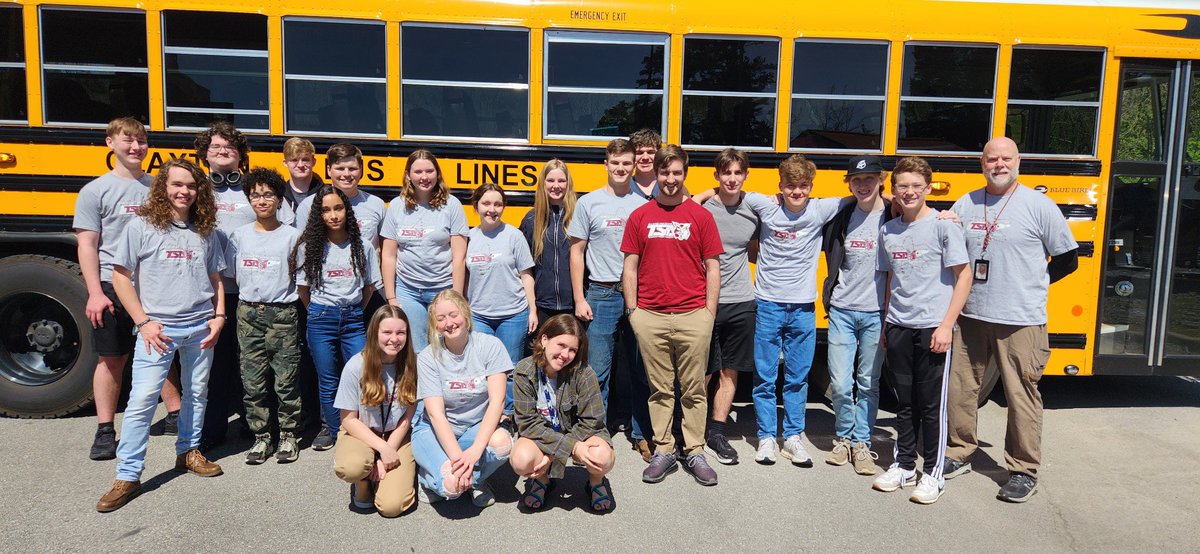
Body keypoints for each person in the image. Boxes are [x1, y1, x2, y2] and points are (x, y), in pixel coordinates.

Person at [943, 137, 1079, 503]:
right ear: (982, 163)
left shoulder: (1038, 205)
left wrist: (1032, 284)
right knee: (960, 388)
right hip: (970, 316)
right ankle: (959, 451)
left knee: (1021, 394)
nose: (999, 164)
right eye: (992, 159)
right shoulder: (967, 202)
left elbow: (1068, 258)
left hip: (1020, 319)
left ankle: (1022, 469)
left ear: (1018, 161)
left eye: (1006, 158)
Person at [699, 155, 847, 467]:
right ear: (779, 186)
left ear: (811, 187)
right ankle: (766, 436)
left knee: (797, 377)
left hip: (804, 307)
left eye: (803, 186)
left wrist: (893, 199)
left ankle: (793, 438)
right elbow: (725, 188)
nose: (797, 192)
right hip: (766, 303)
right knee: (765, 378)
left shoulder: (821, 208)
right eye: (790, 186)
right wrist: (701, 195)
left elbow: (862, 197)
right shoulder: (764, 205)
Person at [96, 159, 226, 513]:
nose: (184, 191)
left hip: (200, 326)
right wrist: (143, 322)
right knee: (140, 402)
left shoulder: (205, 230)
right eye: (177, 184)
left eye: (191, 186)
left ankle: (188, 452)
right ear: (163, 188)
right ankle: (128, 475)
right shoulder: (142, 226)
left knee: (197, 393)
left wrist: (219, 316)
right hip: (159, 330)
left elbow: (215, 278)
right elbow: (120, 277)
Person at [75, 117, 182, 460]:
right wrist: (95, 291)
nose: (136, 147)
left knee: (161, 348)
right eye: (128, 141)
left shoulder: (157, 188)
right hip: (111, 284)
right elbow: (88, 244)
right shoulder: (95, 191)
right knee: (113, 358)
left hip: (152, 284)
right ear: (110, 143)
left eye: (141, 141)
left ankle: (176, 414)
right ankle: (105, 430)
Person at [872, 156, 972, 505]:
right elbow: (890, 282)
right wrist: (887, 322)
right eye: (903, 186)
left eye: (916, 186)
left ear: (928, 188)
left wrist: (947, 325)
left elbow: (964, 276)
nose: (910, 192)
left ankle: (934, 473)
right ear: (894, 192)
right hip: (899, 325)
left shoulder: (945, 226)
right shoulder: (888, 231)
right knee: (903, 403)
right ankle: (903, 466)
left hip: (933, 328)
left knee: (931, 406)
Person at [622, 144, 723, 486]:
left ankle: (695, 450)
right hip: (650, 315)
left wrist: (709, 313)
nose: (670, 178)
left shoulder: (700, 216)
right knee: (660, 388)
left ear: (685, 174)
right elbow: (630, 265)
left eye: (676, 172)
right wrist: (634, 310)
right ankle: (664, 448)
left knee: (694, 388)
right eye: (664, 172)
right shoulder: (640, 216)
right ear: (657, 174)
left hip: (694, 313)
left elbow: (712, 267)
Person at [567, 139, 653, 461]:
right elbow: (577, 252)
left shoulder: (643, 205)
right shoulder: (589, 204)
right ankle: (596, 432)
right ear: (606, 164)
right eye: (615, 163)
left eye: (626, 163)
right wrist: (580, 297)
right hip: (600, 294)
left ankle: (641, 433)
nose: (620, 168)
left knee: (639, 367)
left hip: (637, 295)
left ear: (634, 166)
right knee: (597, 369)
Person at [292, 186, 383, 452]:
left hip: (353, 318)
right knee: (328, 378)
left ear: (347, 210)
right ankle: (335, 431)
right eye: (326, 210)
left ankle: (363, 428)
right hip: (321, 318)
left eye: (338, 208)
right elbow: (303, 289)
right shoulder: (309, 247)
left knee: (361, 375)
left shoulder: (362, 246)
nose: (333, 215)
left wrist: (355, 310)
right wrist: (318, 312)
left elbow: (369, 287)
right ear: (318, 215)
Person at [820, 155, 894, 475]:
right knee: (839, 381)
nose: (862, 185)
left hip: (876, 313)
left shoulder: (893, 215)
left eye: (869, 179)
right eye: (856, 180)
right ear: (849, 184)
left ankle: (862, 442)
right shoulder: (843, 216)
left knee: (867, 381)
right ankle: (844, 438)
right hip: (842, 310)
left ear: (881, 180)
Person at [223, 168, 303, 464]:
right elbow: (231, 274)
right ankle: (261, 436)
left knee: (286, 378)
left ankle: (288, 434)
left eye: (268, 194)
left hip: (282, 313)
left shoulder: (293, 237)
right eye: (255, 195)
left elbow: (302, 278)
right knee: (253, 378)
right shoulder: (239, 236)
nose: (262, 200)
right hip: (248, 313)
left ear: (279, 199)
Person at [410, 290, 513, 508]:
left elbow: (497, 402)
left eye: (453, 314)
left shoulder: (490, 346)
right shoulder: (429, 356)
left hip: (474, 428)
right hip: (435, 431)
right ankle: (430, 480)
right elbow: (435, 414)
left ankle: (474, 479)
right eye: (441, 318)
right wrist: (459, 460)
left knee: (503, 444)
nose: (449, 323)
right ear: (435, 325)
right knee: (451, 486)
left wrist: (475, 452)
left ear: (466, 315)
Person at [510, 315, 615, 513]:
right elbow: (527, 423)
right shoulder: (524, 371)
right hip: (542, 436)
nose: (565, 354)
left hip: (581, 434)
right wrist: (570, 448)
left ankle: (595, 482)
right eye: (561, 345)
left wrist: (561, 452)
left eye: (573, 350)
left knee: (602, 457)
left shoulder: (584, 373)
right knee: (521, 459)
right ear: (544, 340)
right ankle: (542, 481)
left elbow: (592, 420)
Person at [697, 148, 759, 466]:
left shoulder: (754, 208)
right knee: (702, 371)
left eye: (738, 173)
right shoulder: (704, 207)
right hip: (705, 301)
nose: (732, 178)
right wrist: (708, 192)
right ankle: (692, 431)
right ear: (717, 175)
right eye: (726, 173)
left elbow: (756, 251)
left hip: (741, 300)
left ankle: (717, 432)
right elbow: (682, 207)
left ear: (746, 175)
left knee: (729, 371)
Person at [332, 305, 419, 517]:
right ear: (374, 333)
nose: (394, 339)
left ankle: (383, 476)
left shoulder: (412, 364)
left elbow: (408, 415)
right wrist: (380, 448)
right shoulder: (356, 366)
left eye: (401, 332)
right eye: (387, 332)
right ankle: (362, 482)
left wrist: (388, 451)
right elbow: (348, 419)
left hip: (397, 433)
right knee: (352, 466)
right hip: (361, 433)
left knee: (391, 507)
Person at [380, 150, 469, 353]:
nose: (424, 177)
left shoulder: (451, 205)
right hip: (408, 290)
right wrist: (392, 297)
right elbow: (388, 255)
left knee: (446, 346)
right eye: (418, 171)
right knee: (417, 349)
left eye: (429, 171)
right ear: (408, 175)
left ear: (437, 173)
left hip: (442, 288)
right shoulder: (396, 206)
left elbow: (459, 256)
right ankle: (422, 386)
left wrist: (455, 296)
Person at [465, 183, 537, 363]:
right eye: (486, 203)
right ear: (476, 206)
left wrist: (532, 310)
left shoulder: (514, 236)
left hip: (513, 316)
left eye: (497, 204)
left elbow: (526, 275)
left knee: (510, 371)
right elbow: (464, 278)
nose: (492, 209)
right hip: (478, 316)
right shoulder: (467, 238)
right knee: (481, 367)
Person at [295, 143, 386, 248]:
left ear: (361, 170)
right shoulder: (308, 205)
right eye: (340, 168)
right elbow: (299, 249)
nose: (347, 174)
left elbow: (386, 250)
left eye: (352, 169)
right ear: (329, 170)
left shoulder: (376, 205)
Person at [519, 160, 577, 323]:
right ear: (543, 183)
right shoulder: (531, 219)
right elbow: (523, 266)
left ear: (568, 183)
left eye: (561, 180)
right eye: (550, 180)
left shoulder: (579, 216)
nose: (556, 186)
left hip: (574, 305)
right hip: (541, 305)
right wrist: (531, 307)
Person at [281, 137, 322, 213]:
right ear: (285, 163)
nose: (300, 165)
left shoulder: (325, 194)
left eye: (305, 160)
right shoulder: (279, 194)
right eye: (294, 160)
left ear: (313, 161)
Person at [629, 128, 661, 200]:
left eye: (651, 152)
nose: (645, 157)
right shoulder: (623, 188)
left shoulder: (669, 186)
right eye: (639, 153)